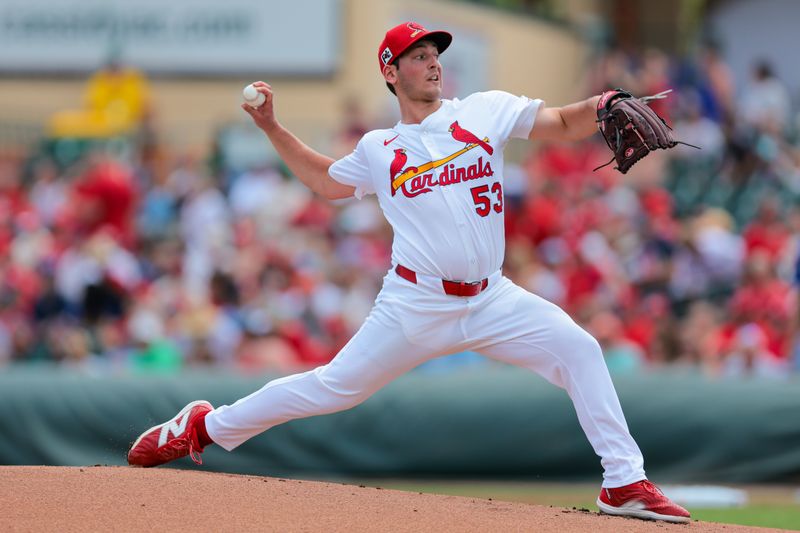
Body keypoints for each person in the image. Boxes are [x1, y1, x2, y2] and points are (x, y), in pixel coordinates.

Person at [127, 22, 690, 523]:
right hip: (415, 304)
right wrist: (273, 128)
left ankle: (622, 483)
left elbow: (560, 123)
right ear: (390, 72)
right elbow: (326, 184)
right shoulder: (381, 147)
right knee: (334, 388)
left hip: (492, 297)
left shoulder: (482, 110)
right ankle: (203, 427)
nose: (433, 62)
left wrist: (601, 104)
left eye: (435, 53)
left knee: (580, 349)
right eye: (418, 55)